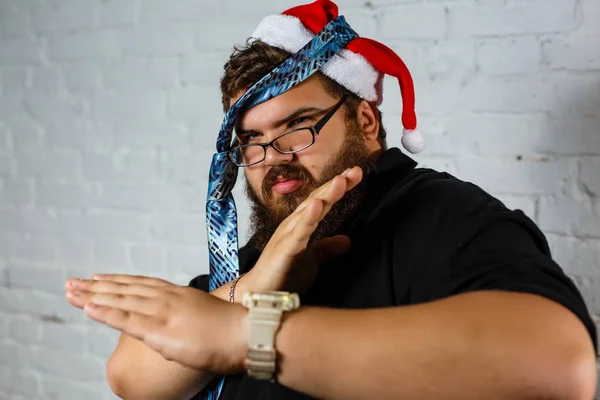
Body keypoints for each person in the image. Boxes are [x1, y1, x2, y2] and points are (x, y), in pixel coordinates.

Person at [64, 1, 598, 399]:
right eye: (251, 140)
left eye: (298, 126)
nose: (273, 156)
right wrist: (247, 293)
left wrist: (251, 337)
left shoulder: (440, 213)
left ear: (365, 121)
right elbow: (130, 376)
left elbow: (561, 363)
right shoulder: (273, 247)